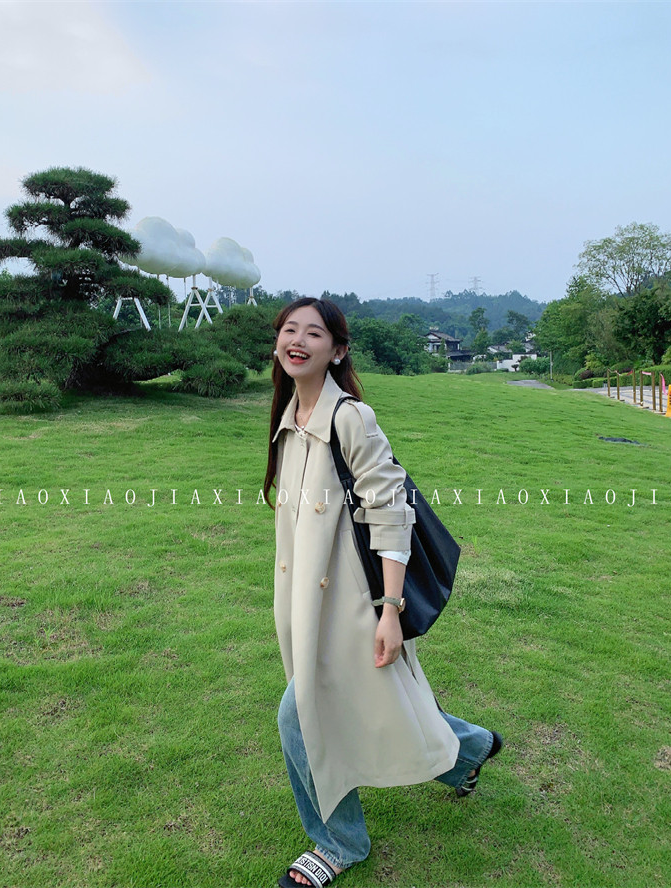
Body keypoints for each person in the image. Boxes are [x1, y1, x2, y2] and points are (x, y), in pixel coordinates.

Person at [263, 297, 503, 888]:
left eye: (313, 333)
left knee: (299, 717)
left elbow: (392, 515)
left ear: (337, 351)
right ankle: (470, 750)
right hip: (305, 607)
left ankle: (337, 843)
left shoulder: (351, 419)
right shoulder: (289, 420)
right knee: (384, 701)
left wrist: (390, 610)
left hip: (352, 605)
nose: (298, 340)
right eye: (289, 330)